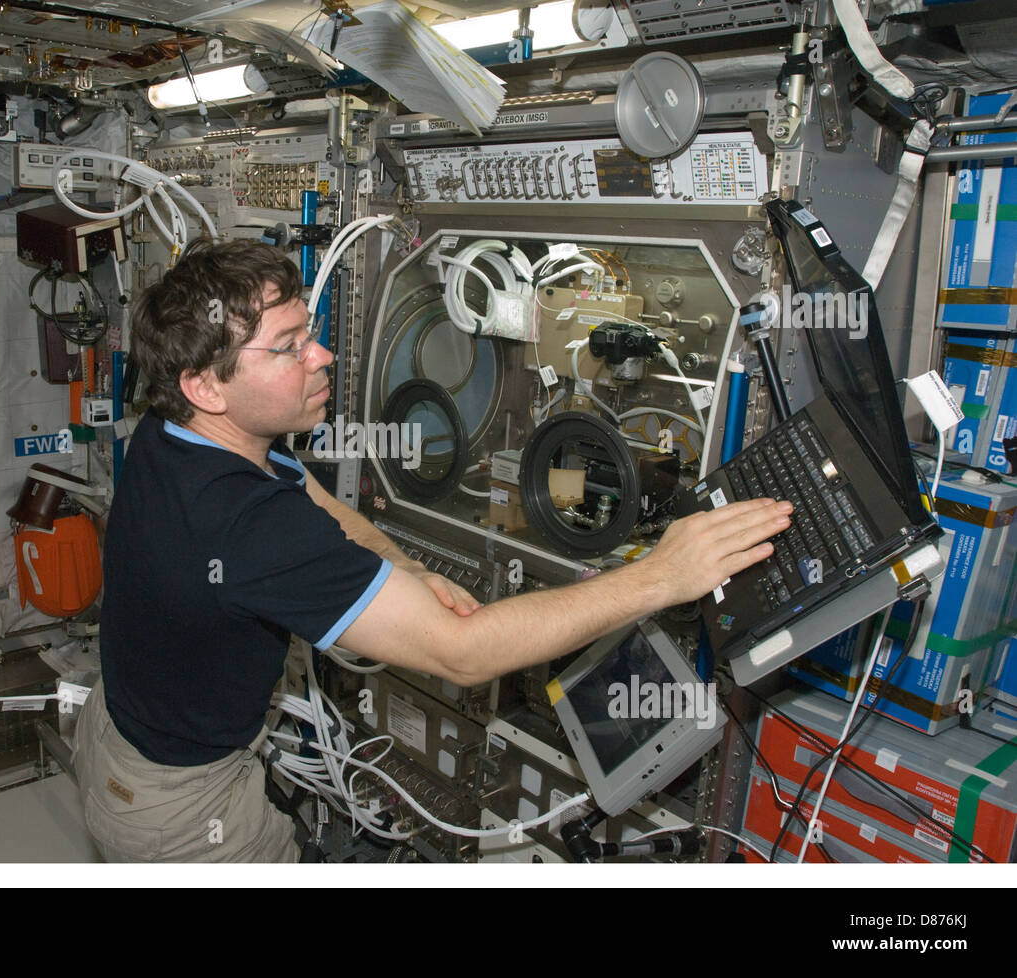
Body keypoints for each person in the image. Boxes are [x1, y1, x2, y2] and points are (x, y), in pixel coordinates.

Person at [73, 237, 791, 863]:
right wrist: (663, 575)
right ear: (206, 386)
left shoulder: (174, 438)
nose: (322, 356)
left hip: (122, 733)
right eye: (289, 348)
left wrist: (411, 568)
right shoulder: (242, 524)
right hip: (183, 810)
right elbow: (462, 654)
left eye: (312, 331)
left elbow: (308, 498)